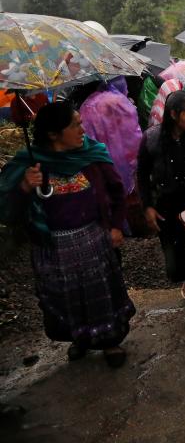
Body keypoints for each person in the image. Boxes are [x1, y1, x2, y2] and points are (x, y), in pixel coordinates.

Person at [0, 101, 135, 367]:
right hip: (54, 248)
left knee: (102, 294)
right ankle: (81, 338)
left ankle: (110, 341)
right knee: (68, 299)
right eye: (75, 125)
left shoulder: (92, 155)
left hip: (93, 240)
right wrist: (25, 187)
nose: (82, 129)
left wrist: (116, 225)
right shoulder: (29, 164)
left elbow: (117, 191)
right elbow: (7, 213)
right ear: (53, 133)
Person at [137, 90, 185, 313]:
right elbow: (142, 174)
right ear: (173, 114)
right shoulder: (151, 139)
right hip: (167, 210)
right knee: (174, 266)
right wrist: (147, 206)